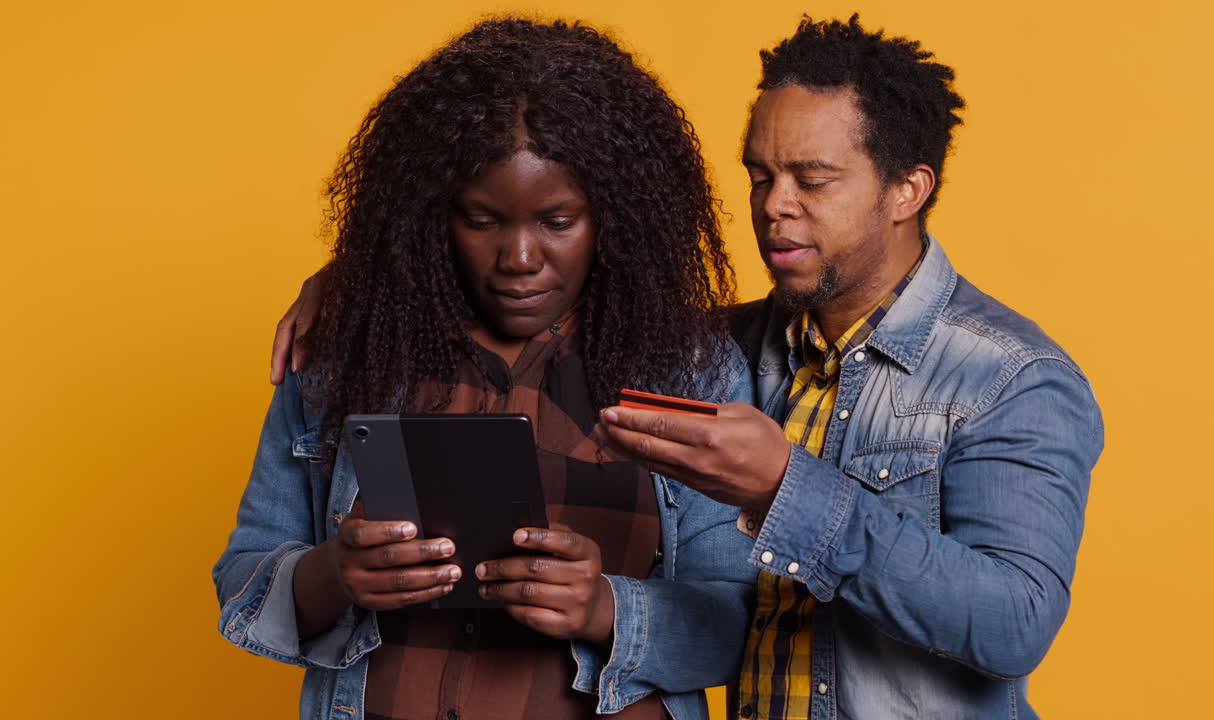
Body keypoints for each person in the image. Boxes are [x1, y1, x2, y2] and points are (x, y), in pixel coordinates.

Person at [215, 18, 759, 720]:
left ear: (615, 216)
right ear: (431, 213)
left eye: (558, 221)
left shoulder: (693, 371)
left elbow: (739, 627)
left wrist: (602, 608)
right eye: (481, 220)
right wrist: (334, 574)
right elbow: (243, 580)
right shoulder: (349, 349)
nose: (519, 258)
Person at [598, 15, 1105, 720]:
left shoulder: (1010, 376)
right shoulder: (718, 351)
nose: (774, 206)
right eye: (760, 176)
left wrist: (783, 487)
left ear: (907, 191)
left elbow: (1014, 623)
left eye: (813, 180)